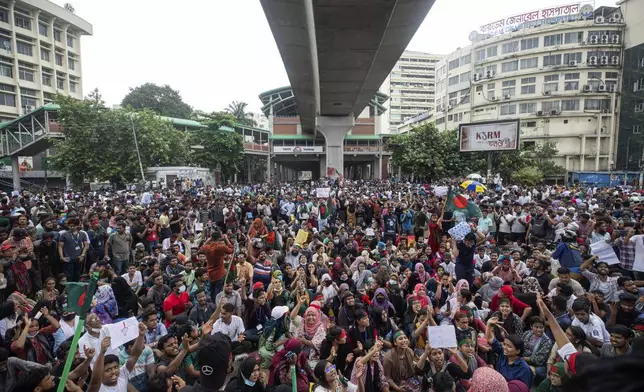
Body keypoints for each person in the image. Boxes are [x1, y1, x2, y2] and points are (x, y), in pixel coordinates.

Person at [86, 322, 146, 392]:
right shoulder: (97, 388)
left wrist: (141, 335)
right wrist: (102, 352)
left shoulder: (122, 375)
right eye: (108, 370)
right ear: (101, 373)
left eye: (116, 367)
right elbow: (95, 381)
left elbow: (134, 356)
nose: (113, 372)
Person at [486, 316, 533, 388]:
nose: (505, 348)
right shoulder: (503, 353)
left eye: (509, 346)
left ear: (517, 351)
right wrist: (489, 324)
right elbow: (490, 338)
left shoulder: (524, 369)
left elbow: (522, 389)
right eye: (504, 344)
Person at [200, 230, 234, 302]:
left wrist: (207, 241)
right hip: (219, 273)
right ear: (219, 238)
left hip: (210, 273)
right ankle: (218, 306)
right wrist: (226, 239)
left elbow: (201, 248)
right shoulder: (221, 247)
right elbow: (231, 250)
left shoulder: (207, 247)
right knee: (219, 292)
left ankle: (212, 304)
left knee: (212, 292)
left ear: (211, 238)